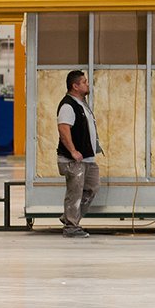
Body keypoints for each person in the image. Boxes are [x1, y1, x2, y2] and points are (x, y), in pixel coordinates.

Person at [56, 69, 104, 237]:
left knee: (92, 187)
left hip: (87, 158)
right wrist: (73, 151)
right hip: (73, 159)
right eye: (84, 82)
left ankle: (70, 217)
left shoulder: (81, 103)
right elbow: (63, 129)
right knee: (75, 192)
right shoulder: (68, 105)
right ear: (75, 86)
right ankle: (71, 227)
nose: (87, 84)